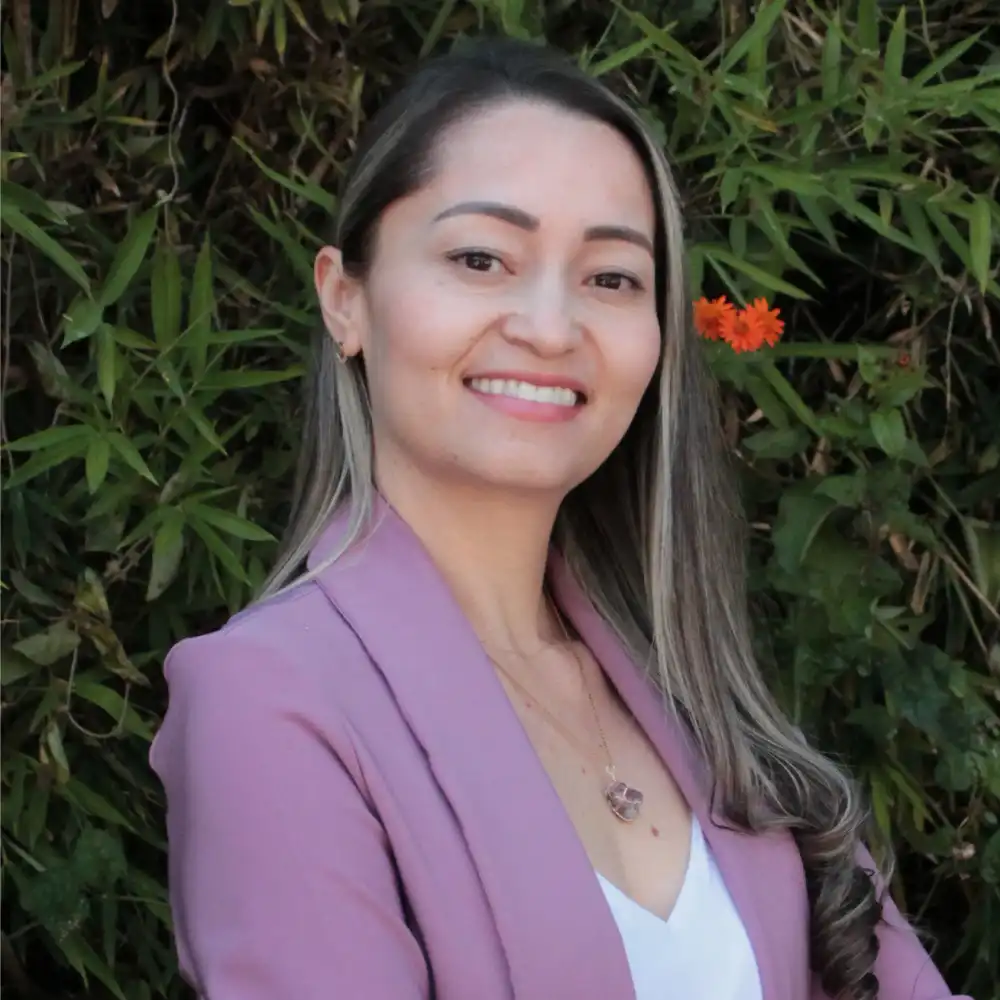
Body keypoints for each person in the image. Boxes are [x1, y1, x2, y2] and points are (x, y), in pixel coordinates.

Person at [150, 38, 967, 1000]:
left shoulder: (690, 686)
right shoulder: (274, 701)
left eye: (611, 277)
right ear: (346, 300)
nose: (549, 326)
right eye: (482, 258)